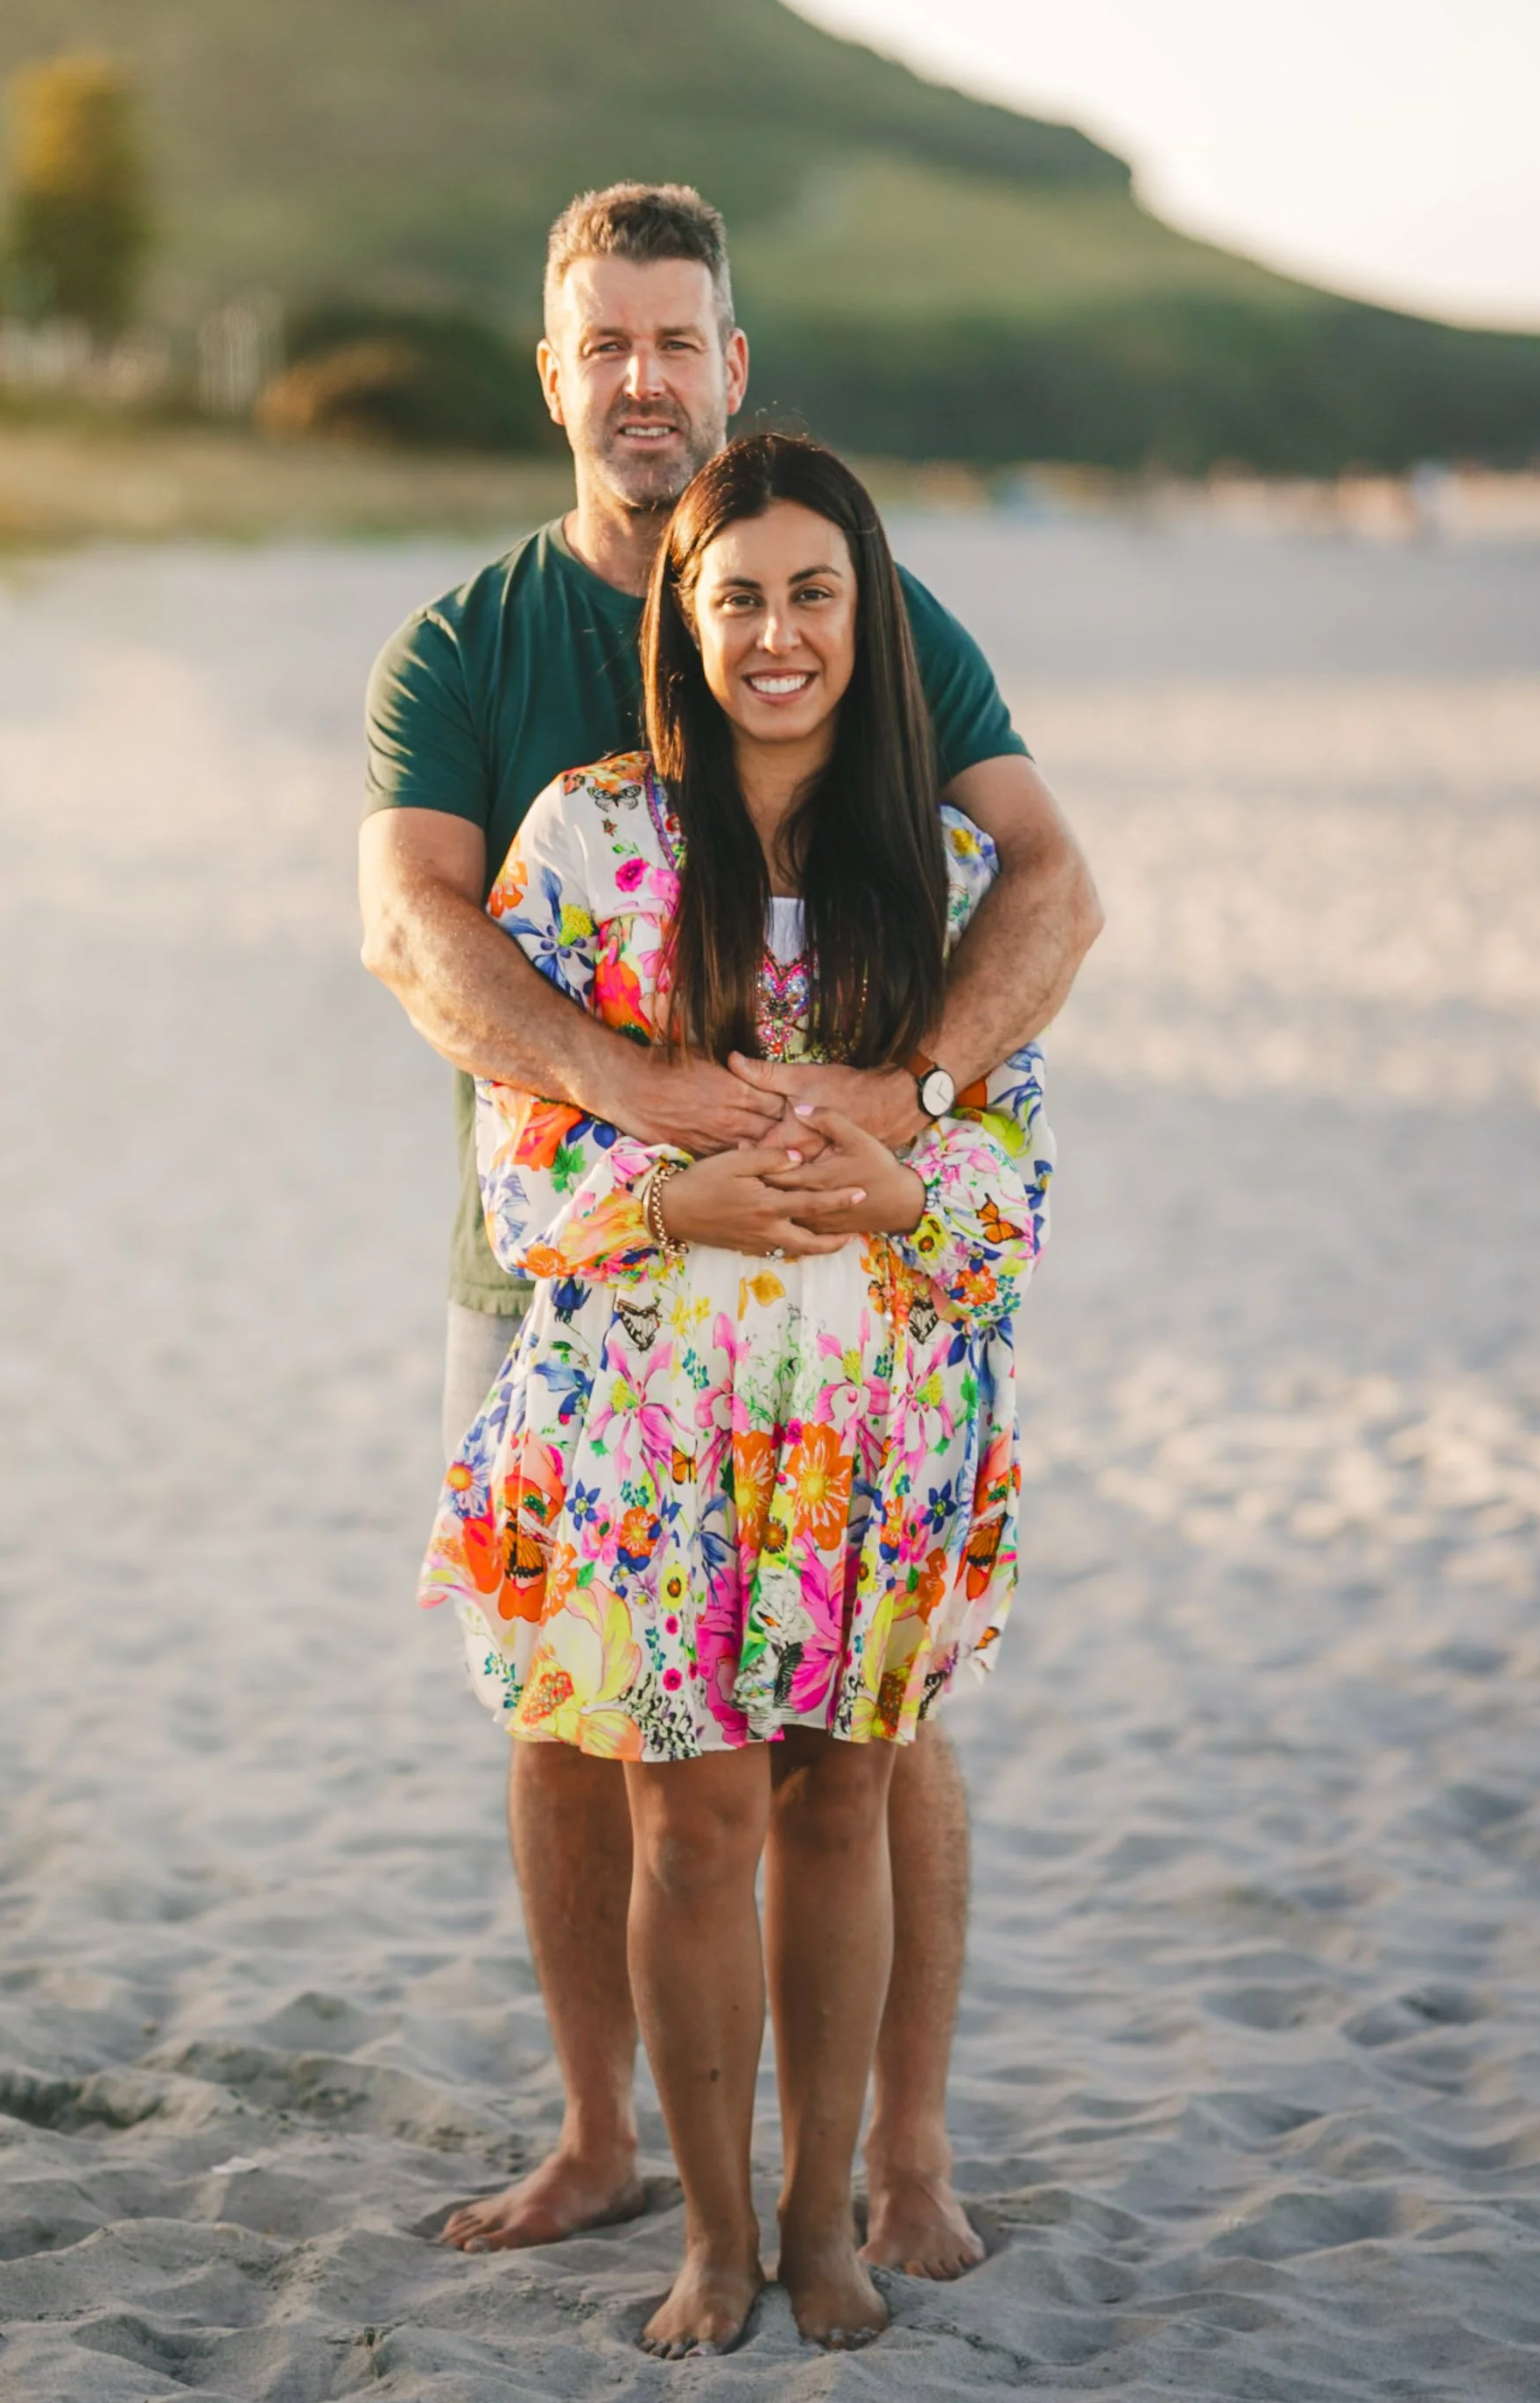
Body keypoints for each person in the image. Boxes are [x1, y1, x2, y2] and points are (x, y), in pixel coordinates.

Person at [360, 185, 1101, 2275]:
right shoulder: (477, 643)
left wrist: (909, 1108)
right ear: (552, 373)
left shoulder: (862, 590)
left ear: (732, 364)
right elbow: (406, 920)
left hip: (847, 1295)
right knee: (575, 1709)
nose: (643, 381)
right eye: (603, 345)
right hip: (558, 1262)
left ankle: (902, 2157)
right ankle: (603, 2134)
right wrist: (638, 1112)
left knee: (870, 1727)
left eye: (677, 342)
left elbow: (1045, 885)